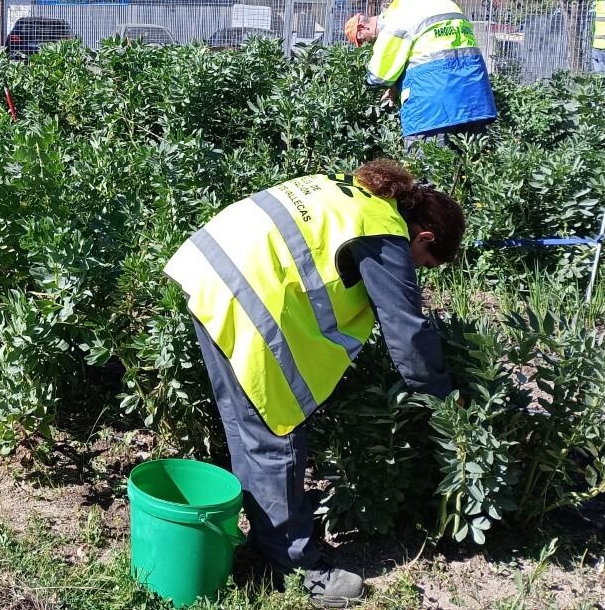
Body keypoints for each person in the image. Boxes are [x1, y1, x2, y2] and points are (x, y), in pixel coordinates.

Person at [164, 160, 463, 608]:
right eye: (425, 263)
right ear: (424, 238)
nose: (417, 270)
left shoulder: (356, 192)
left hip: (212, 272)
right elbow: (408, 333)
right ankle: (297, 566)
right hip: (251, 296)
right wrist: (445, 397)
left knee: (249, 429)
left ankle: (264, 548)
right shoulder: (384, 229)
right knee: (275, 434)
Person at [345, 0, 497, 150]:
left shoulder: (396, 15)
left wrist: (386, 82)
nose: (368, 43)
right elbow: (431, 52)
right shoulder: (442, 5)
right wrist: (396, 86)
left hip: (432, 108)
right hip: (475, 99)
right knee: (466, 167)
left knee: (425, 168)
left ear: (363, 27)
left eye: (364, 40)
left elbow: (379, 76)